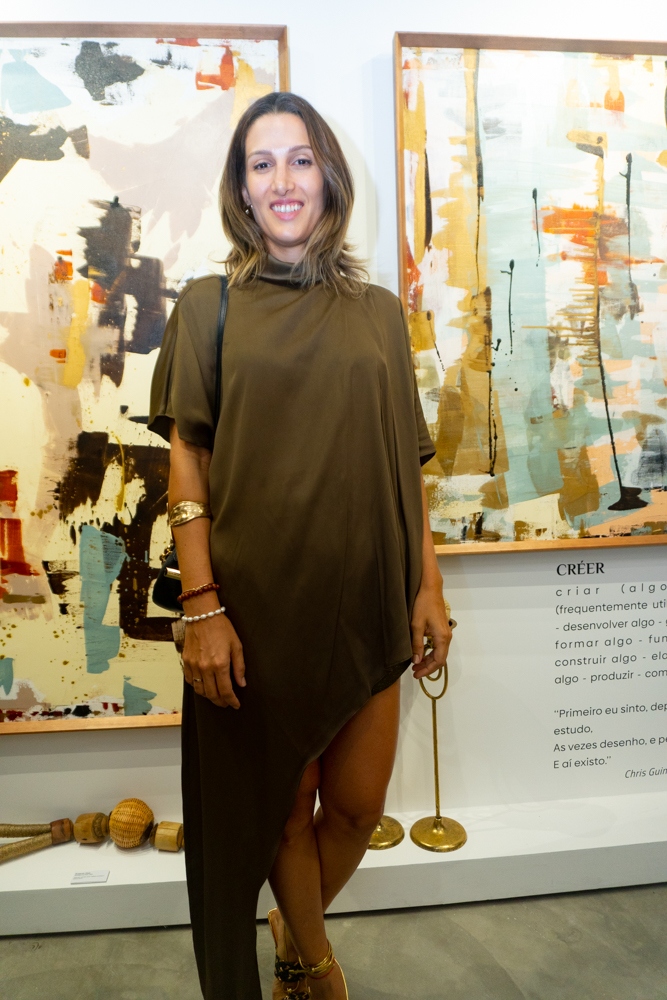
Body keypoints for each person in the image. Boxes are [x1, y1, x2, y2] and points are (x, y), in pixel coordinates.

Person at [148, 91, 451, 1000]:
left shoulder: (379, 313)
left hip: (367, 603)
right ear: (241, 190)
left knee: (355, 809)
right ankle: (313, 968)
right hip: (256, 615)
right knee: (282, 816)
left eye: (300, 159)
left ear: (328, 178)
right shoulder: (209, 306)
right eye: (261, 163)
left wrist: (427, 586)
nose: (282, 180)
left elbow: (404, 465)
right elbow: (188, 463)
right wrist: (201, 607)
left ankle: (293, 926)